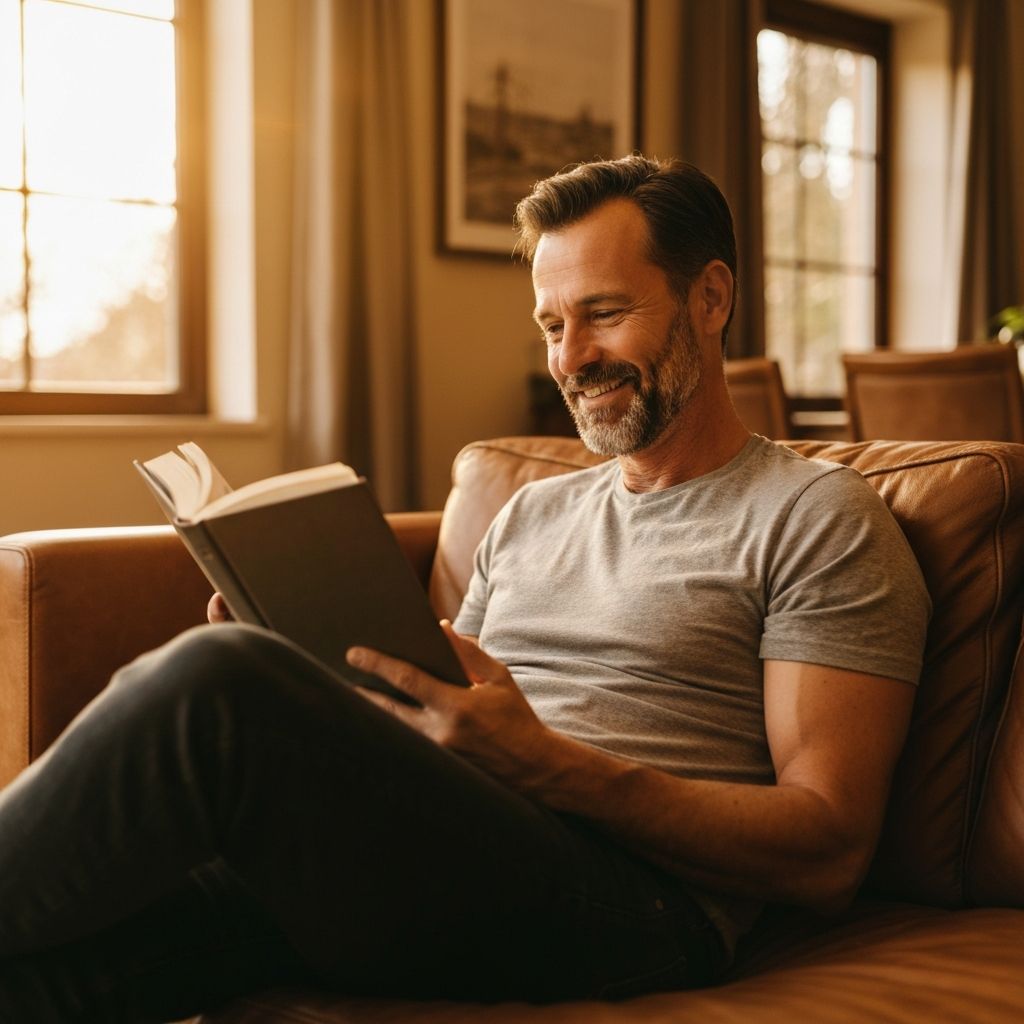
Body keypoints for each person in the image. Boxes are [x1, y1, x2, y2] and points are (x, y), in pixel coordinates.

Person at [0, 155, 929, 1022]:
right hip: (444, 852)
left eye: (605, 313)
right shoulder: (529, 514)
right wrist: (311, 664)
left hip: (631, 903)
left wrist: (558, 769)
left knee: (214, 679)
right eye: (553, 325)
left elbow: (829, 849)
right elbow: (448, 709)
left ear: (712, 296)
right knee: (61, 959)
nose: (571, 358)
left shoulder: (819, 517)